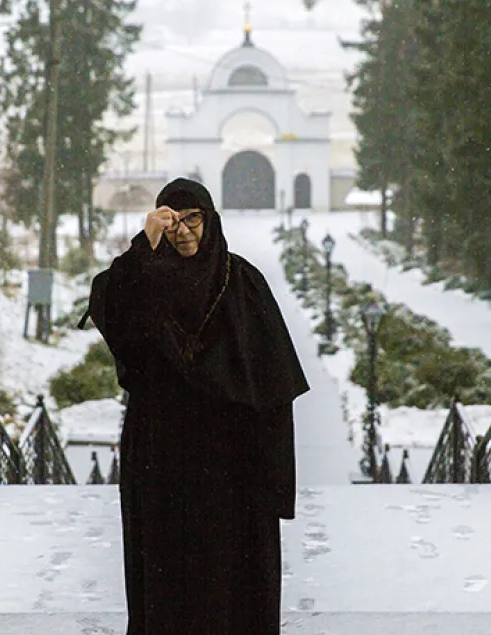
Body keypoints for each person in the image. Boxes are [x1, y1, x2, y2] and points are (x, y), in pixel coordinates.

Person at [81, 178, 309, 634]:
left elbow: (273, 385)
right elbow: (107, 302)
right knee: (169, 577)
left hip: (231, 464)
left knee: (231, 579)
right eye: (171, 221)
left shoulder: (241, 282)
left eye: (192, 220)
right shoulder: (143, 278)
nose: (183, 231)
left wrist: (274, 477)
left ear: (210, 221)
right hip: (162, 457)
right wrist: (140, 247)